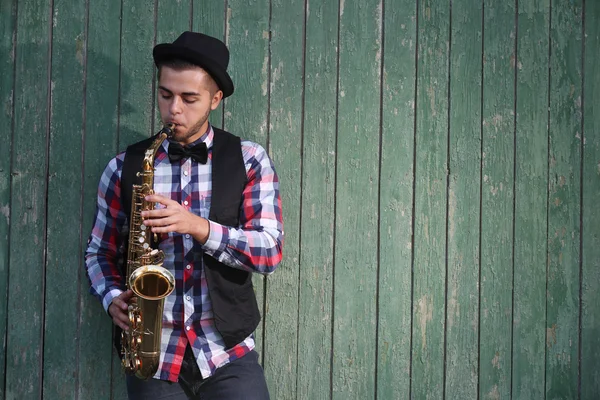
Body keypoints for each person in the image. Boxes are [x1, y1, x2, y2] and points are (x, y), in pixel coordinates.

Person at [85, 31, 283, 400]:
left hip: (227, 355)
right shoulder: (123, 167)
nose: (174, 109)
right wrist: (112, 296)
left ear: (215, 99)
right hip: (153, 355)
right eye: (165, 94)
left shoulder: (249, 159)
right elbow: (99, 252)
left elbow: (269, 251)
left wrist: (199, 227)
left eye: (189, 98)